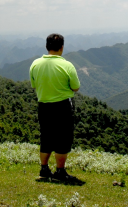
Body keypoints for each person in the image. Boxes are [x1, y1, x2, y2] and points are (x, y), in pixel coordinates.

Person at [29, 33, 80, 182]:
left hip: (43, 105)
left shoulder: (35, 64)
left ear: (46, 47)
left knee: (46, 136)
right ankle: (60, 171)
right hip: (62, 105)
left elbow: (34, 85)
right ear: (62, 48)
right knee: (63, 138)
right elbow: (75, 87)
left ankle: (44, 169)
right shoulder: (67, 65)